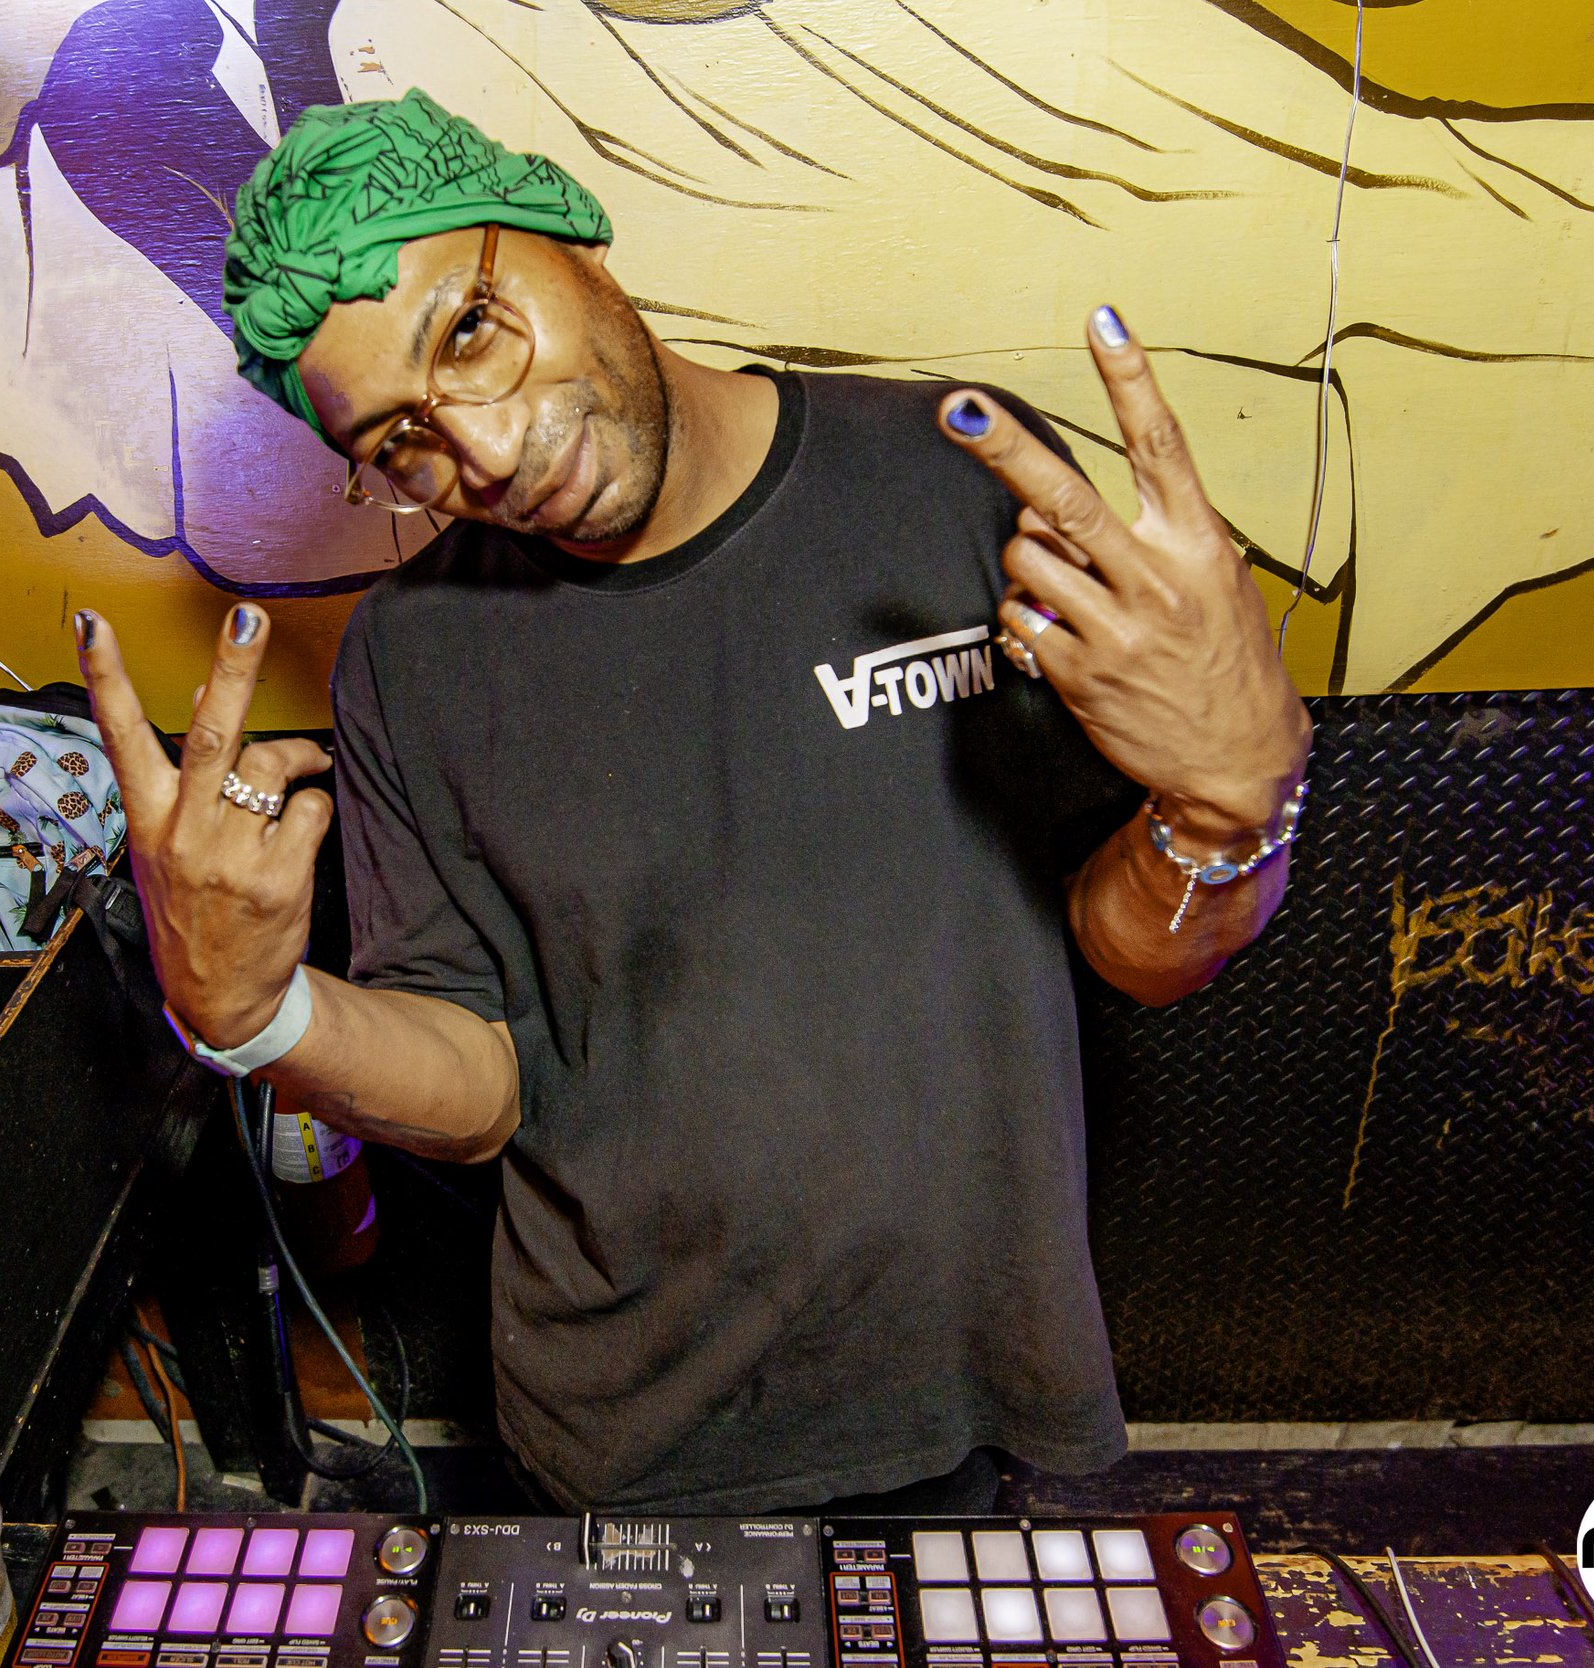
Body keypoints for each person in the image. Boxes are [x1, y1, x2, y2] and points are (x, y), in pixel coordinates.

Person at [74, 93, 1310, 1512]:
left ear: (570, 231)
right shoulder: (413, 660)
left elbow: (1131, 951)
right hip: (622, 1438)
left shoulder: (949, 480)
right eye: (403, 440)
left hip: (960, 1393)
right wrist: (254, 1017)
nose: (484, 450)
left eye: (469, 331)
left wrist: (1228, 816)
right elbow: (483, 1085)